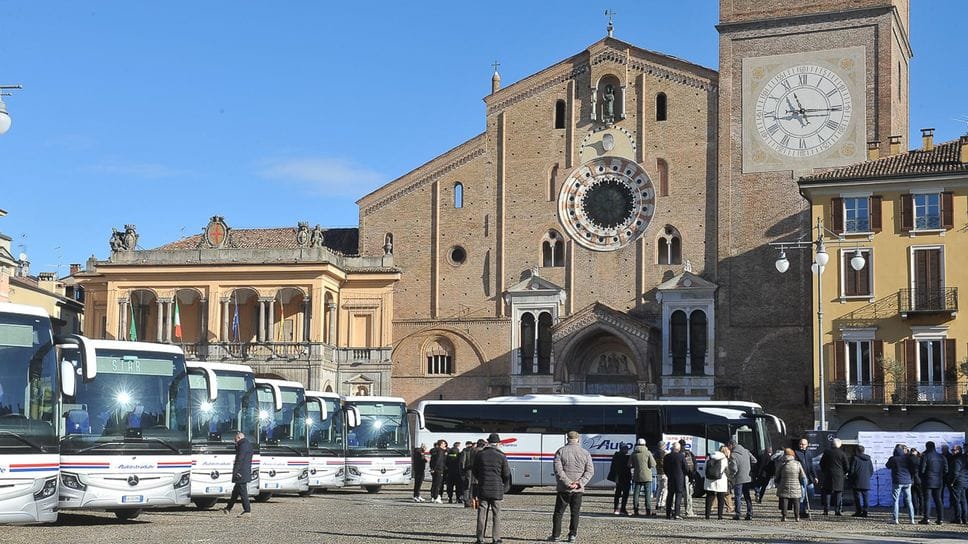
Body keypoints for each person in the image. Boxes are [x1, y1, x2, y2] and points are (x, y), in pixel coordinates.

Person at [549, 431, 594, 543]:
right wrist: (579, 483)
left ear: (567, 439)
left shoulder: (560, 451)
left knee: (559, 513)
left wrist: (568, 483)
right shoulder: (585, 453)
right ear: (578, 439)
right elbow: (590, 471)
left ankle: (555, 535)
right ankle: (572, 535)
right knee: (575, 513)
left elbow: (558, 471)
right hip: (578, 489)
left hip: (564, 488)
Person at [473, 433, 511, 544]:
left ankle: (480, 538)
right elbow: (506, 473)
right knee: (497, 514)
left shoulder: (480, 454)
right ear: (498, 443)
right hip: (497, 489)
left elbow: (475, 471)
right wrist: (504, 486)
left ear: (488, 442)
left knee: (482, 513)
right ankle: (496, 538)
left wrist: (481, 478)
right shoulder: (501, 455)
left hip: (483, 487)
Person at [222, 431, 253, 517]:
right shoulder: (247, 444)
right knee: (235, 492)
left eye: (235, 439)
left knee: (243, 492)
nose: (235, 441)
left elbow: (239, 459)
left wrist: (236, 471)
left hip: (241, 472)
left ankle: (247, 510)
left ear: (239, 437)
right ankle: (228, 508)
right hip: (244, 471)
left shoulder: (243, 445)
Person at [919, 440, 948, 525]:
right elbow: (946, 470)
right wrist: (940, 476)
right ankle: (940, 519)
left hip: (927, 481)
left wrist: (923, 477)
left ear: (927, 447)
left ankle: (926, 519)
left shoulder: (926, 456)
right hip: (939, 481)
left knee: (927, 500)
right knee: (938, 500)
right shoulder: (942, 457)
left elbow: (922, 470)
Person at [727, 438, 756, 520]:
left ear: (732, 445)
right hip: (747, 477)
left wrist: (731, 475)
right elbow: (754, 460)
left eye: (728, 446)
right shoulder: (746, 451)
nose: (728, 448)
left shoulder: (733, 455)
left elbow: (734, 469)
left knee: (738, 496)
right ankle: (750, 513)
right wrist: (748, 468)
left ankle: (738, 514)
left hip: (738, 478)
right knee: (747, 496)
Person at [775, 447, 807, 522]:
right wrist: (803, 483)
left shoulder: (782, 463)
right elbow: (803, 476)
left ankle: (784, 516)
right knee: (796, 502)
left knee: (784, 501)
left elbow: (777, 474)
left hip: (784, 484)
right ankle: (797, 517)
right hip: (796, 485)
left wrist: (777, 480)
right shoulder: (797, 464)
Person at [887, 444, 916, 524]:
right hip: (907, 481)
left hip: (897, 481)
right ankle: (912, 519)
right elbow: (912, 468)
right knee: (909, 501)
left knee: (895, 500)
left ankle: (895, 519)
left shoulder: (893, 459)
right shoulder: (908, 458)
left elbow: (887, 466)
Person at [819, 438, 848, 516]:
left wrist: (825, 471)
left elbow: (821, 463)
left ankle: (826, 510)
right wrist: (844, 473)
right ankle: (837, 510)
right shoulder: (842, 453)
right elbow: (846, 466)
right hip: (839, 476)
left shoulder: (827, 452)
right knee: (838, 493)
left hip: (828, 475)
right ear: (839, 445)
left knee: (827, 492)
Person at [629, 438, 656, 516]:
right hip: (647, 476)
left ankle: (636, 510)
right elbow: (653, 464)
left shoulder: (634, 453)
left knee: (636, 494)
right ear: (645, 444)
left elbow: (629, 464)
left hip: (637, 476)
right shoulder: (648, 453)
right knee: (647, 494)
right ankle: (648, 511)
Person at [663, 441, 689, 520]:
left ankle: (668, 514)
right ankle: (677, 514)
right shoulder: (681, 456)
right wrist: (685, 474)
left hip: (670, 478)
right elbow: (686, 468)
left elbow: (664, 468)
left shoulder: (667, 456)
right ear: (679, 448)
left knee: (670, 495)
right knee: (678, 495)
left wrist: (668, 474)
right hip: (679, 478)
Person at [703, 445, 729, 519]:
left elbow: (705, 467)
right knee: (720, 499)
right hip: (721, 480)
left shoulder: (709, 457)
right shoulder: (724, 459)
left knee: (709, 498)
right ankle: (719, 516)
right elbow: (726, 470)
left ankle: (707, 515)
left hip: (709, 480)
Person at [794, 437, 817, 518]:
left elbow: (811, 466)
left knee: (811, 494)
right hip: (800, 478)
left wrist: (815, 476)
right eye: (800, 444)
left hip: (809, 478)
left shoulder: (809, 453)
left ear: (807, 445)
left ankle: (805, 508)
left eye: (803, 444)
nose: (801, 445)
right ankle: (801, 511)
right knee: (802, 496)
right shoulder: (796, 453)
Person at [849, 444, 874, 517]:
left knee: (857, 498)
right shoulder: (868, 459)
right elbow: (871, 470)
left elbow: (852, 470)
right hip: (866, 480)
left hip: (856, 480)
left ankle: (858, 511)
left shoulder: (855, 458)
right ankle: (865, 511)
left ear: (857, 451)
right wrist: (867, 477)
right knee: (865, 497)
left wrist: (851, 478)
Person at [608, 443, 632, 515]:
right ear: (622, 449)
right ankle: (622, 508)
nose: (627, 450)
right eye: (626, 449)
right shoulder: (626, 457)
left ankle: (616, 508)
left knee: (618, 494)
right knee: (624, 494)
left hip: (618, 478)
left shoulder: (616, 456)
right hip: (624, 478)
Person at [949, 444, 968, 524]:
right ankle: (965, 519)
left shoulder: (957, 459)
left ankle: (958, 518)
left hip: (957, 482)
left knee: (957, 501)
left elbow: (955, 473)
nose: (952, 451)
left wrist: (952, 482)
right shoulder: (964, 458)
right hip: (964, 481)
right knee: (963, 501)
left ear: (959, 450)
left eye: (954, 450)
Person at [679, 439, 697, 517]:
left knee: (676, 495)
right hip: (687, 476)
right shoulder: (689, 453)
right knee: (688, 495)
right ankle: (688, 511)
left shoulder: (676, 453)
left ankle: (675, 511)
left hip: (678, 476)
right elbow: (694, 465)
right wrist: (692, 476)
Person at [430, 439, 448, 503]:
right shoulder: (440, 451)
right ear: (441, 444)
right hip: (439, 469)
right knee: (438, 484)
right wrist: (435, 468)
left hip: (434, 469)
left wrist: (432, 468)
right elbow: (438, 460)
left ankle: (433, 496)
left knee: (434, 484)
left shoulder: (435, 451)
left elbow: (432, 460)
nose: (445, 445)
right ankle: (436, 497)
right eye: (444, 443)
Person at [461, 440, 478, 508]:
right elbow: (463, 463)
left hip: (468, 470)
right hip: (470, 470)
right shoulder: (468, 451)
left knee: (468, 485)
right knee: (469, 486)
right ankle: (468, 500)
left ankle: (468, 501)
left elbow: (462, 462)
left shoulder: (465, 451)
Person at [654, 443, 668, 514]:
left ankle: (657, 503)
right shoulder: (664, 454)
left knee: (659, 488)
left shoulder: (655, 453)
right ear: (662, 446)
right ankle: (662, 504)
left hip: (658, 472)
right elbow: (665, 463)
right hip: (664, 473)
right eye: (665, 446)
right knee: (665, 489)